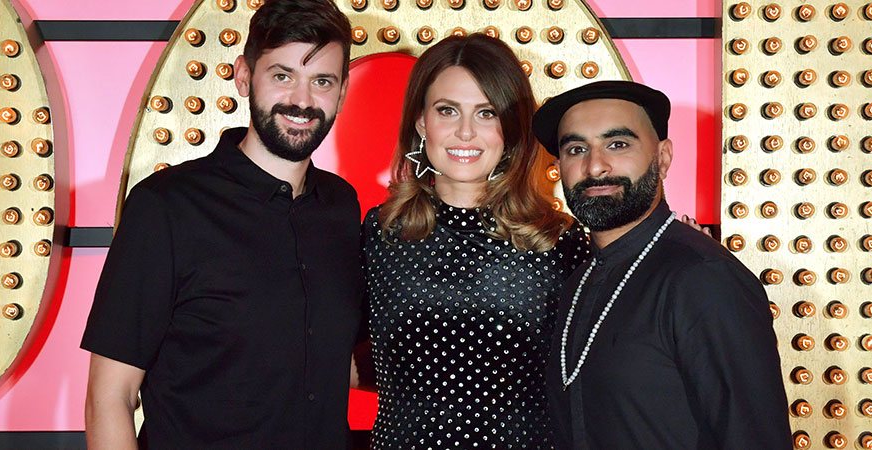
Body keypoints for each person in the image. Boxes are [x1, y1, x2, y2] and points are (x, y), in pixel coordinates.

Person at [80, 0, 363, 447]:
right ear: (245, 75)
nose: (303, 101)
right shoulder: (166, 208)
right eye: (282, 75)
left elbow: (339, 361)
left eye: (322, 81)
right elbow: (109, 397)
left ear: (343, 91)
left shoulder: (343, 207)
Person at [532, 80, 791, 449]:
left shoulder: (702, 277)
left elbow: (755, 437)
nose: (595, 166)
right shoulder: (579, 281)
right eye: (576, 149)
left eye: (617, 144)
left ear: (663, 157)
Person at [361, 34, 591, 448]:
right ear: (420, 122)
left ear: (511, 127)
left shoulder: (560, 242)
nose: (465, 132)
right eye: (447, 110)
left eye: (486, 113)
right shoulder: (380, 234)